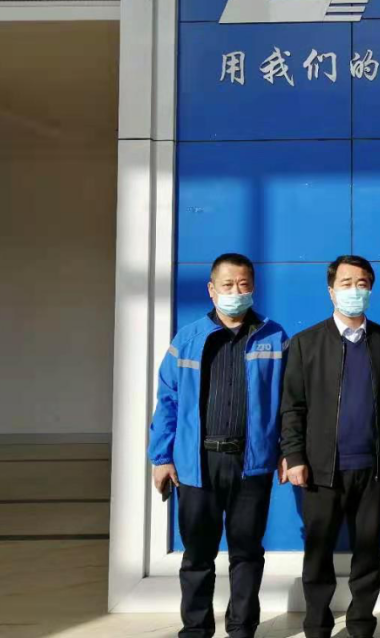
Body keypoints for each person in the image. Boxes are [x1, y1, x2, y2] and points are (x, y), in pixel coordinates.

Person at [148, 253, 288, 638]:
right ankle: (195, 629)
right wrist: (161, 457)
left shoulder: (274, 337)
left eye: (243, 284)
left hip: (251, 463)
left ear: (253, 287)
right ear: (212, 290)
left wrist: (288, 451)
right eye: (227, 285)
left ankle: (242, 629)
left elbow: (290, 402)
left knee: (247, 553)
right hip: (197, 464)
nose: (235, 292)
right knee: (197, 555)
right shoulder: (188, 339)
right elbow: (168, 400)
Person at [278, 255, 380, 638]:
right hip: (321, 469)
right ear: (331, 291)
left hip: (372, 467)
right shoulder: (306, 343)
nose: (355, 290)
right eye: (347, 283)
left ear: (371, 289)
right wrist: (294, 456)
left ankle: (361, 625)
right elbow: (292, 406)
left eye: (362, 283)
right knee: (318, 553)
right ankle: (317, 626)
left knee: (368, 553)